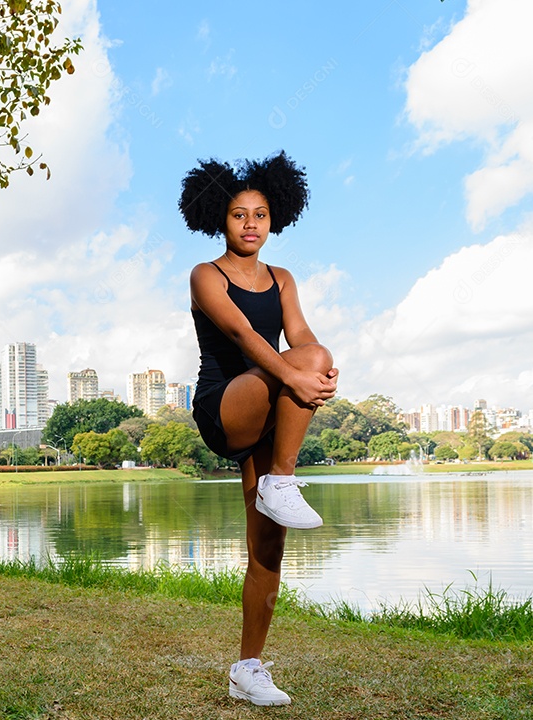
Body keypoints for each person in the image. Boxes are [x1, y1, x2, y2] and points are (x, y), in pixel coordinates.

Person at [180, 151, 338, 707]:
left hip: (271, 402)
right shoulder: (206, 275)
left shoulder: (283, 279)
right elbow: (247, 338)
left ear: (276, 219)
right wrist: (300, 371)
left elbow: (301, 335)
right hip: (227, 405)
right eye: (239, 214)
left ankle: (248, 669)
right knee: (292, 364)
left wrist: (319, 373)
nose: (251, 224)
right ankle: (283, 480)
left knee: (267, 549)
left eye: (261, 215)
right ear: (220, 220)